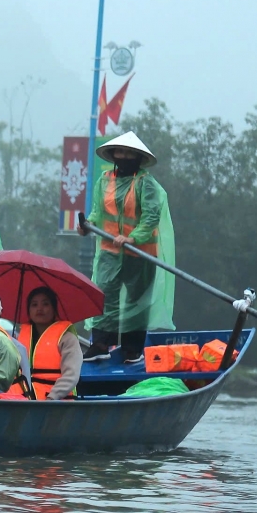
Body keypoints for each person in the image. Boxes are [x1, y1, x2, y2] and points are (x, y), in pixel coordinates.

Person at [79, 131, 175, 364]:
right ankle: (100, 344)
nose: (124, 156)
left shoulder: (146, 184)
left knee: (136, 301)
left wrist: (133, 238)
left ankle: (133, 349)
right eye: (120, 152)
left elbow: (151, 216)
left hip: (139, 254)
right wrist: (88, 226)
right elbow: (97, 212)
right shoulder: (104, 180)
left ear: (138, 158)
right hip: (109, 253)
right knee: (104, 296)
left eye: (129, 153)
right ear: (113, 154)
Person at [14, 287, 82, 400]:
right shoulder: (19, 338)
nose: (39, 309)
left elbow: (71, 375)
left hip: (56, 404)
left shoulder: (67, 338)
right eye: (34, 305)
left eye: (45, 304)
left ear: (54, 309)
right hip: (23, 403)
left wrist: (52, 398)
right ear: (29, 311)